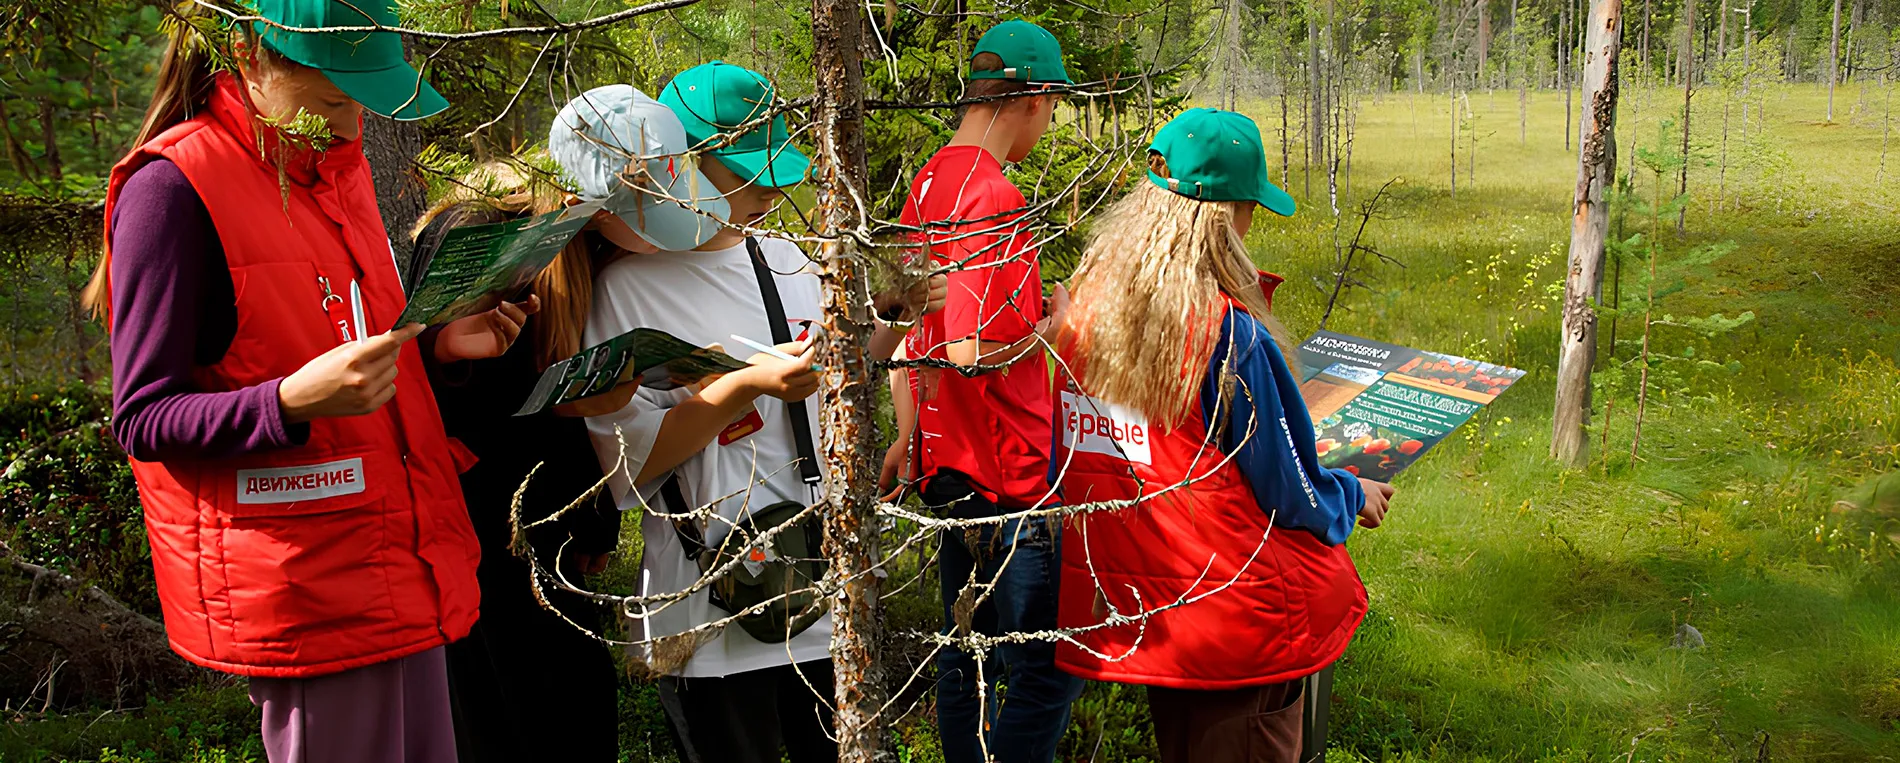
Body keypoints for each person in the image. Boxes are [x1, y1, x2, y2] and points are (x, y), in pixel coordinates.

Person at [87, 2, 534, 761]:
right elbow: (143, 417)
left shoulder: (338, 171)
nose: (353, 113)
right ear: (243, 49)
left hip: (402, 562)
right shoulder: (172, 189)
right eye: (333, 93)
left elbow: (345, 348)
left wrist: (438, 354)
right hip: (311, 591)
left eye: (366, 92)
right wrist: (287, 401)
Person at [554, 69, 899, 763]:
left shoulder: (785, 259)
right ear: (683, 163)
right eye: (746, 173)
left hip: (818, 597)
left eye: (777, 172)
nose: (770, 192)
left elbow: (840, 387)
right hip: (704, 617)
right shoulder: (624, 290)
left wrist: (894, 319)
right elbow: (626, 471)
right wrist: (744, 387)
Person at [1049, 108, 1396, 763]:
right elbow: (1291, 491)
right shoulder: (1228, 335)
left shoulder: (1086, 324)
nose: (1250, 227)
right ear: (1223, 217)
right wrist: (1353, 494)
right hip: (1238, 622)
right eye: (1249, 209)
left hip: (1157, 615)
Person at [417, 157, 676, 762]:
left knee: (576, 699)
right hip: (477, 535)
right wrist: (560, 408)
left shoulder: (593, 247)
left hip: (550, 527)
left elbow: (561, 395)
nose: (660, 232)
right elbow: (439, 403)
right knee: (504, 713)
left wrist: (595, 518)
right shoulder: (479, 229)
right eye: (646, 207)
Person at [881, 19, 1085, 763]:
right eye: (1053, 104)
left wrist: (909, 434)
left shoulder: (931, 177)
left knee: (965, 651)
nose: (1051, 119)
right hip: (1010, 480)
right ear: (1031, 100)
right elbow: (970, 350)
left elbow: (910, 329)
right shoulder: (992, 197)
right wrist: (1052, 328)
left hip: (952, 463)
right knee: (1044, 667)